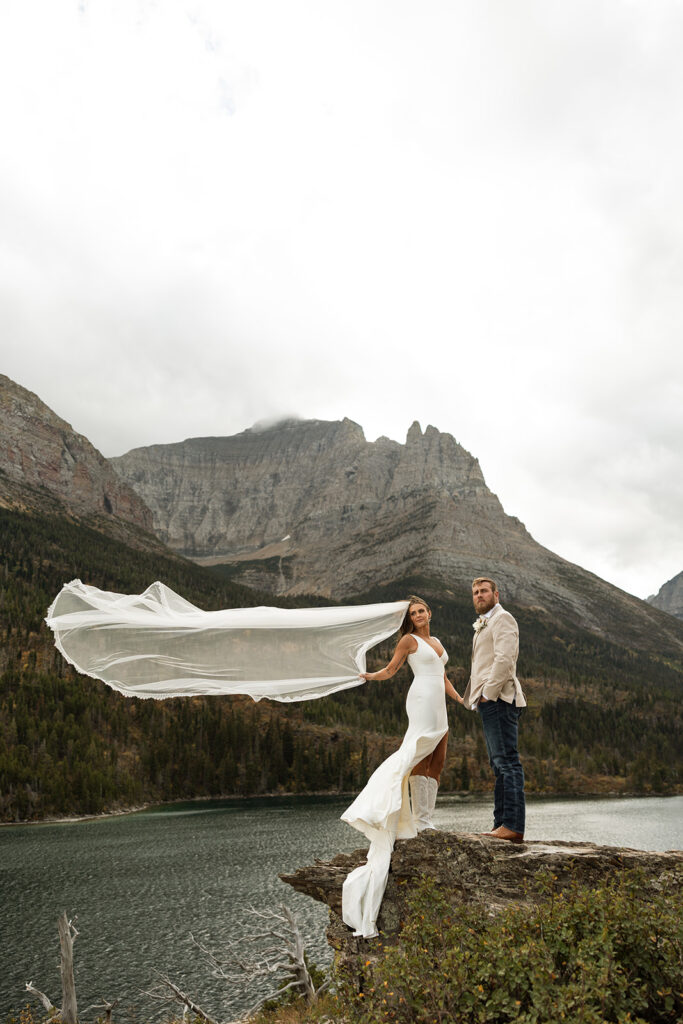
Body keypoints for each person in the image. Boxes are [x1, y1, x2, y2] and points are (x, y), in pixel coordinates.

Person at [340, 596, 463, 938]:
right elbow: (393, 669)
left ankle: (426, 818)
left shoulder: (437, 643)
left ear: (430, 612)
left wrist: (461, 699)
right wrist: (370, 676)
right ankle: (418, 821)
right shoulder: (408, 641)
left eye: (422, 610)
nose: (419, 615)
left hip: (439, 700)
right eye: (413, 613)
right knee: (417, 757)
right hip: (421, 698)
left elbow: (443, 677)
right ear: (409, 619)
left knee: (437, 761)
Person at [462, 576, 526, 843]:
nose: (479, 595)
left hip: (499, 698)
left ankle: (512, 825)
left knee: (507, 762)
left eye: (484, 591)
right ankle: (501, 824)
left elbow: (504, 658)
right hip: (488, 702)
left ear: (496, 595)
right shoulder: (484, 623)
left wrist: (488, 694)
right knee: (498, 764)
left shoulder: (503, 619)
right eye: (475, 592)